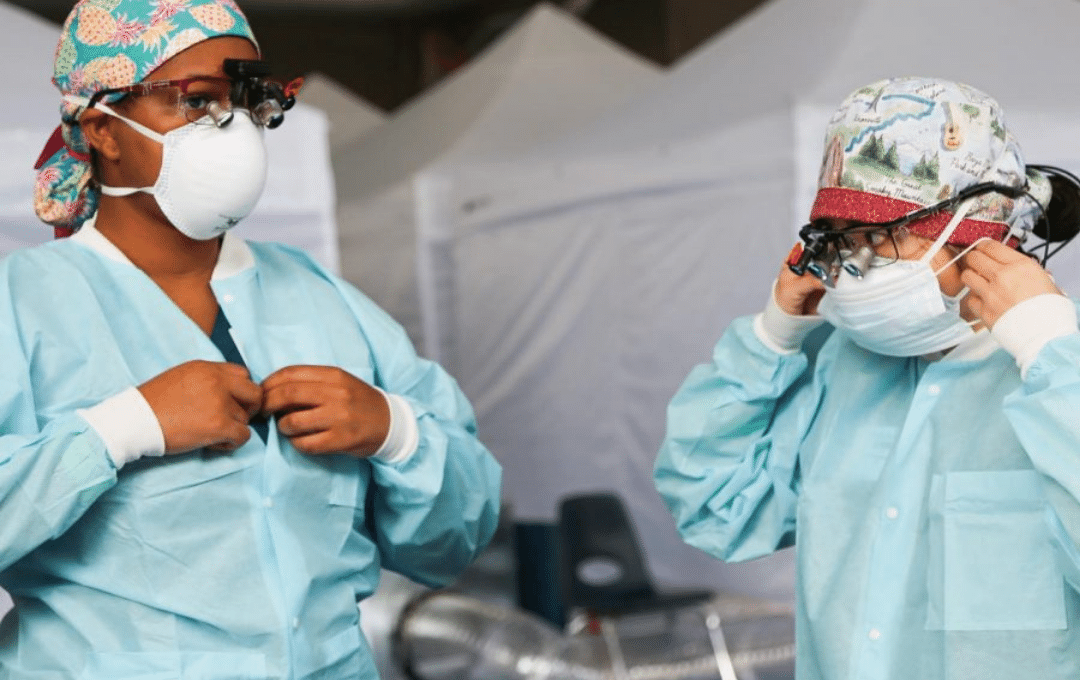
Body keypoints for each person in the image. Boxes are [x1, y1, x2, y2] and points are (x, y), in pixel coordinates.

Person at [0, 1, 501, 678]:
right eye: (198, 101)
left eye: (246, 99)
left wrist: (396, 432)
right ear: (103, 129)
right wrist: (118, 431)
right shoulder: (24, 304)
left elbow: (453, 542)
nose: (233, 128)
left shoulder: (321, 300)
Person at [654, 76, 1080, 679]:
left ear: (983, 233)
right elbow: (711, 501)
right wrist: (772, 337)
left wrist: (1052, 351)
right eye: (844, 240)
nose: (859, 265)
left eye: (883, 235)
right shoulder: (840, 365)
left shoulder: (1058, 373)